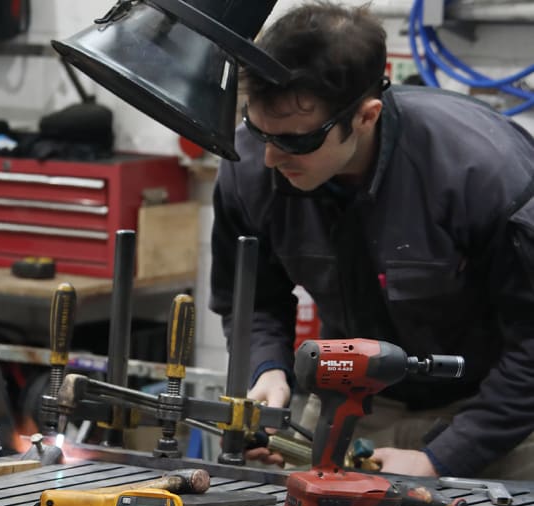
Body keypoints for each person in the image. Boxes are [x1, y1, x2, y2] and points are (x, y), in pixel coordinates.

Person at [209, 1, 534, 480]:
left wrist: (444, 456)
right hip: (353, 405)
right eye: (260, 132)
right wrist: (267, 374)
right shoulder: (250, 168)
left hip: (493, 417)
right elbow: (252, 301)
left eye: (297, 141)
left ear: (366, 116)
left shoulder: (482, 174)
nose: (272, 157)